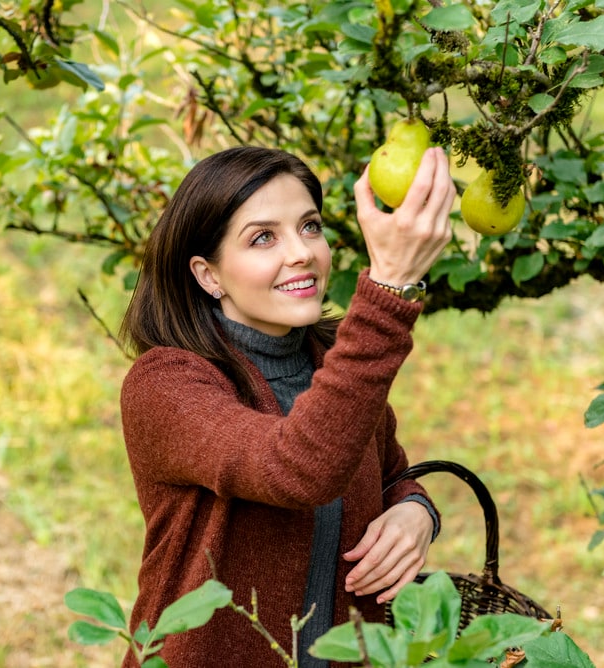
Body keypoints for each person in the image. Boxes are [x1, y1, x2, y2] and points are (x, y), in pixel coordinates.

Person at [118, 143, 455, 667]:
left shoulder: (334, 362)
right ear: (208, 275)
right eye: (262, 238)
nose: (301, 252)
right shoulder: (166, 385)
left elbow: (387, 475)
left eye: (310, 226)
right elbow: (295, 470)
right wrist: (390, 289)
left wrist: (416, 512)